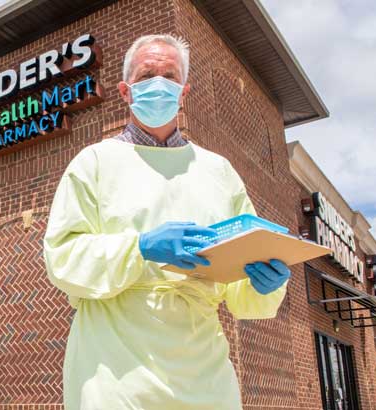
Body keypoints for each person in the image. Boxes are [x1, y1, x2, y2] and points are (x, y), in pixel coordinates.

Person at [43, 34, 292, 410]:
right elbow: (62, 259)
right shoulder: (94, 163)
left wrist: (264, 281)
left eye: (169, 76)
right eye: (146, 75)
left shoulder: (218, 172)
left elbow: (242, 292)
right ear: (126, 92)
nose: (158, 84)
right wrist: (140, 248)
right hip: (115, 372)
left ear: (183, 92)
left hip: (204, 374)